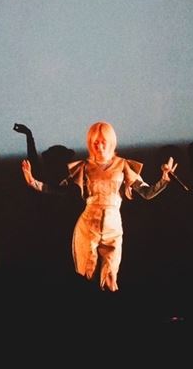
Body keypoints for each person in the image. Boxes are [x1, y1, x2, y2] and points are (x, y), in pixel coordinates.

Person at [21, 121, 178, 291]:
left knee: (110, 279)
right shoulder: (83, 167)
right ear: (90, 144)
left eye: (103, 142)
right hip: (89, 226)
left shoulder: (123, 165)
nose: (100, 146)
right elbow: (59, 190)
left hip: (113, 228)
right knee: (89, 276)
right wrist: (33, 182)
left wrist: (164, 179)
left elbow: (146, 192)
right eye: (95, 142)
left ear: (111, 142)